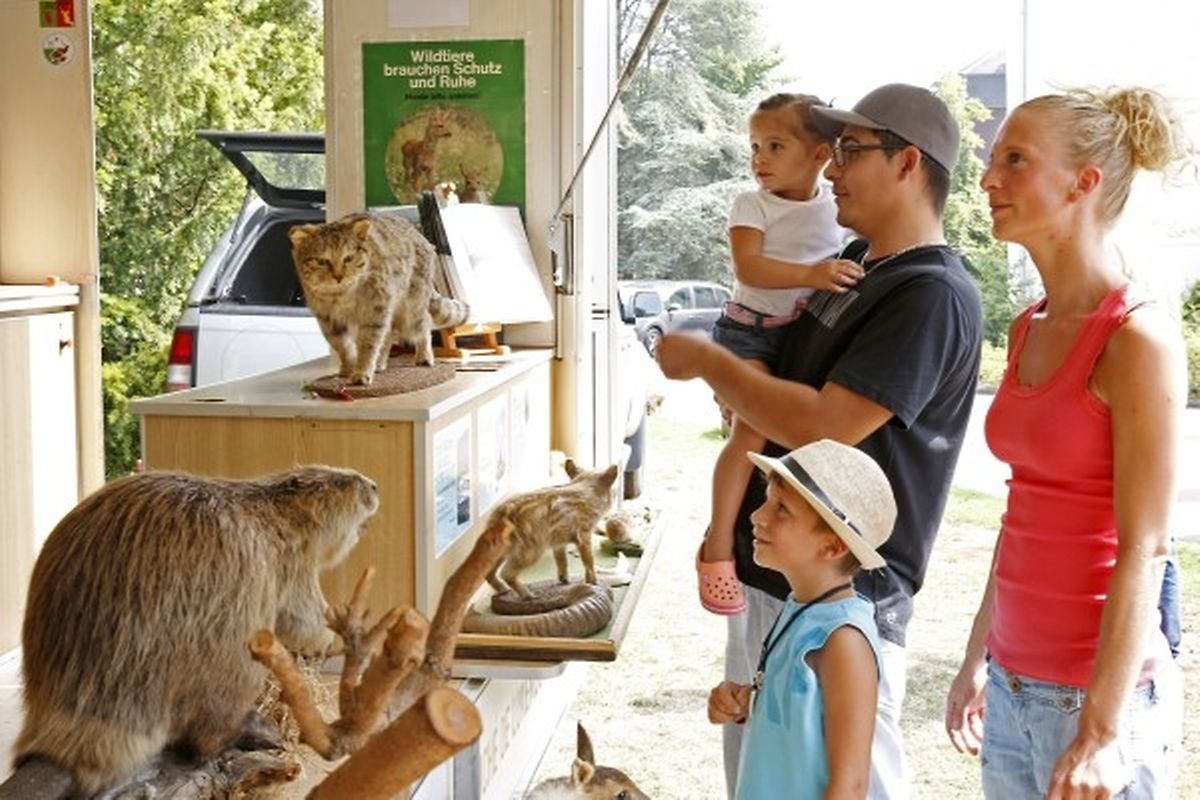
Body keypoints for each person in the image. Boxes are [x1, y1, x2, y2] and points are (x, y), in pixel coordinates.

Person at [657, 83, 983, 800]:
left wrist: (709, 360)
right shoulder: (856, 265)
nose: (830, 169)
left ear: (908, 163)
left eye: (850, 152)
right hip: (779, 575)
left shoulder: (930, 293)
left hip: (847, 595)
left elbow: (824, 426)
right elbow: (779, 390)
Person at [943, 86, 1191, 799]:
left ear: (1083, 183)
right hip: (1013, 689)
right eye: (994, 159)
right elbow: (1022, 513)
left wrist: (1102, 734)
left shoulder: (1136, 338)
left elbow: (1148, 545)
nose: (987, 180)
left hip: (1097, 704)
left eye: (1015, 160)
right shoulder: (1029, 325)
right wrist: (978, 657)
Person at [700, 92, 860, 616]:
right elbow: (749, 268)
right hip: (748, 332)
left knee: (789, 438)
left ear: (820, 155)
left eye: (775, 146)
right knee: (750, 433)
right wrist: (813, 274)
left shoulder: (834, 208)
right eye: (754, 146)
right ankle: (717, 546)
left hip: (799, 337)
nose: (759, 158)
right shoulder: (752, 204)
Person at [707, 439, 896, 799]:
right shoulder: (800, 606)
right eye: (767, 500)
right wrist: (745, 703)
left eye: (781, 509)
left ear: (833, 546)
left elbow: (850, 785)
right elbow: (799, 715)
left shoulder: (844, 640)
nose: (757, 516)